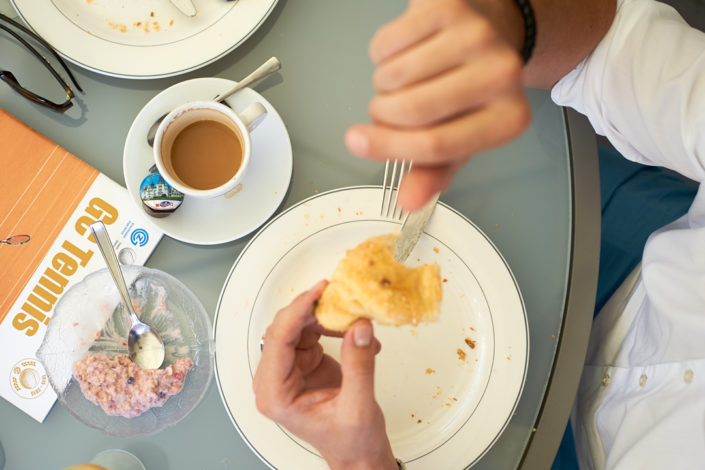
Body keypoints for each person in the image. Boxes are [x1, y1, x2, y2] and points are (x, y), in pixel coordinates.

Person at [253, 0, 705, 468]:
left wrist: (364, 463)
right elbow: (612, 50)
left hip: (562, 456)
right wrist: (513, 23)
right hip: (639, 254)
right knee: (531, 156)